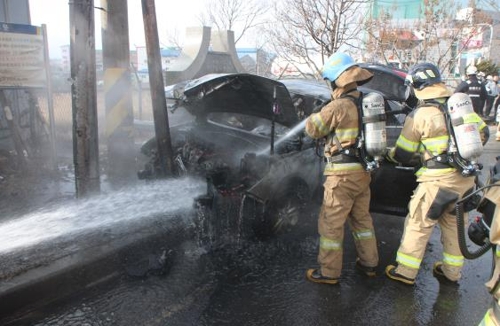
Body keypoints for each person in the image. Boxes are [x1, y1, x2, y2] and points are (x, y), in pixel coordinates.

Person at [385, 62, 489, 286]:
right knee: (454, 226)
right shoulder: (460, 108)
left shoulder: (420, 114)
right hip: (465, 180)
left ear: (418, 86)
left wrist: (389, 155)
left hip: (436, 183)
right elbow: (484, 133)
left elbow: (403, 153)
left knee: (418, 225)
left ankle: (405, 271)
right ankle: (451, 272)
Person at [304, 52, 379, 285]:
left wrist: (317, 112)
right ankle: (369, 263)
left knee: (331, 225)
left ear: (337, 80)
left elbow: (312, 130)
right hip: (362, 172)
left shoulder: (338, 106)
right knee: (362, 221)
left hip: (340, 177)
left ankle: (328, 272)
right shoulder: (365, 103)